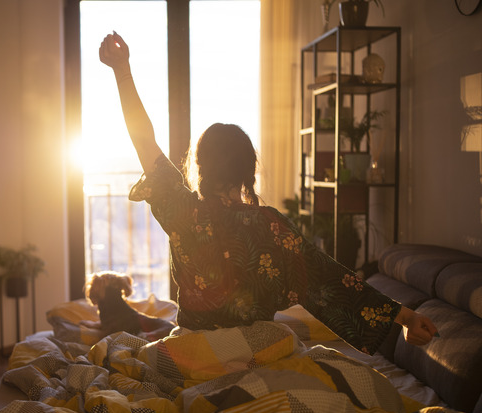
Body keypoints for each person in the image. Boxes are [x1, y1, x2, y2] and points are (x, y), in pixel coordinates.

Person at [99, 31, 437, 354]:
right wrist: (406, 317)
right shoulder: (272, 226)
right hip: (256, 350)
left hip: (192, 351)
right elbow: (333, 279)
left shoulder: (184, 211)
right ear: (249, 170)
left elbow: (144, 140)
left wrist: (122, 70)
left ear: (201, 166)